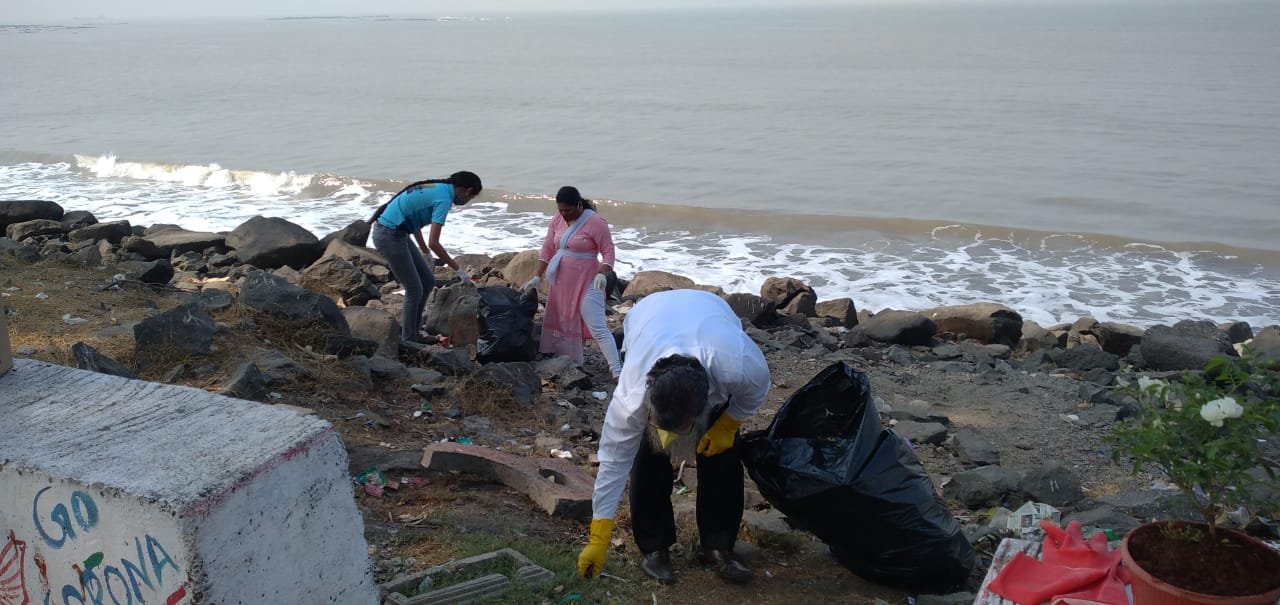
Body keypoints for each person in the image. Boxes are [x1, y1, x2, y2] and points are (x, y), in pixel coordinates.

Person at [576, 289, 770, 585]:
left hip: (712, 314)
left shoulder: (736, 363)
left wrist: (727, 425)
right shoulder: (632, 396)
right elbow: (613, 463)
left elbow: (757, 389)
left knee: (722, 456)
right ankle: (655, 548)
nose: (671, 437)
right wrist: (599, 536)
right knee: (649, 455)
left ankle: (718, 546)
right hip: (649, 315)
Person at [370, 171, 481, 345]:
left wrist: (423, 251)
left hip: (399, 232)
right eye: (471, 197)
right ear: (467, 191)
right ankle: (409, 340)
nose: (467, 201)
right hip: (389, 235)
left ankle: (415, 332)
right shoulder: (444, 199)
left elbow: (412, 216)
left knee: (428, 281)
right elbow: (435, 243)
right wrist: (459, 271)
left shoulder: (439, 188)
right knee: (414, 289)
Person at [522, 186, 622, 377]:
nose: (563, 214)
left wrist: (603, 272)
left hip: (588, 280)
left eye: (567, 210)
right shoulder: (558, 219)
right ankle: (567, 359)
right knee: (562, 318)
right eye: (560, 210)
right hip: (562, 279)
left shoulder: (595, 222)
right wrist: (537, 276)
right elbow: (547, 248)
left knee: (597, 325)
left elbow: (608, 252)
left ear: (578, 205)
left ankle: (617, 370)